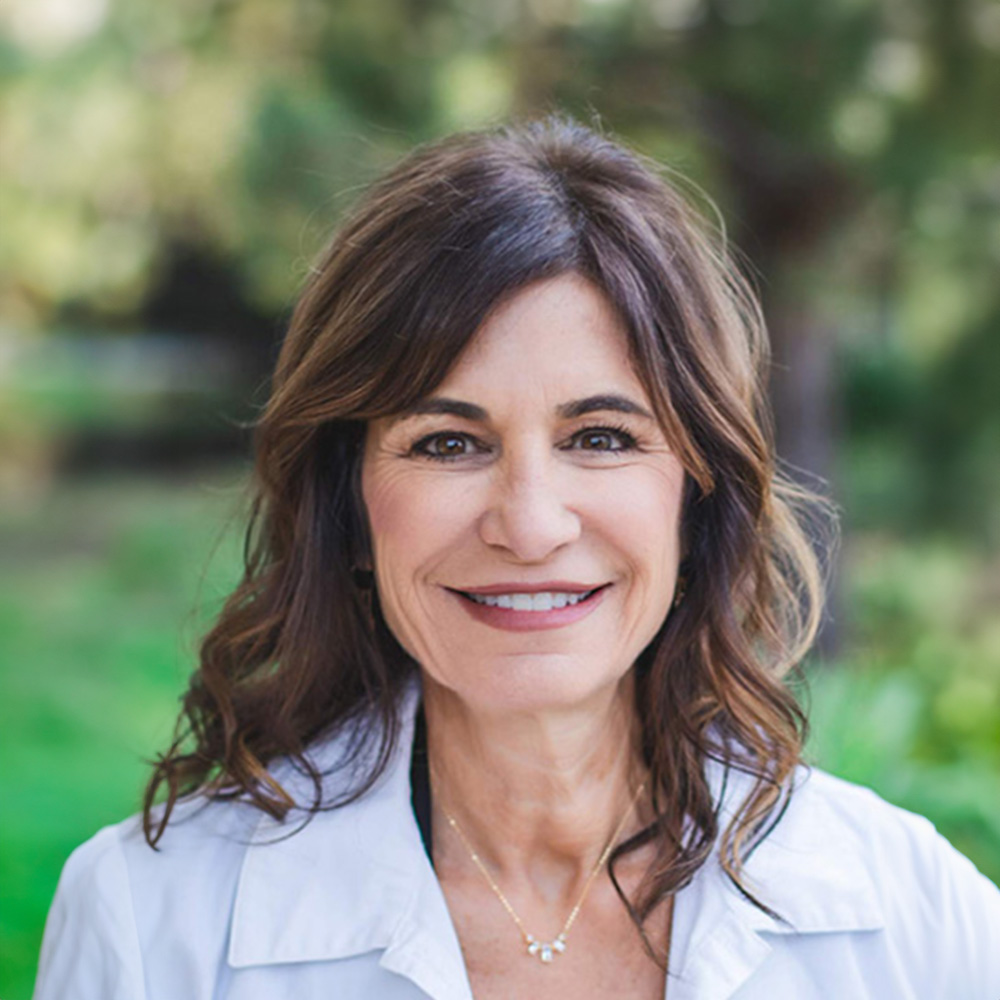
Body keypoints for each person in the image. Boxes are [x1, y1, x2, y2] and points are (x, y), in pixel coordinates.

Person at [33, 116, 1000, 1000]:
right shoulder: (152, 924)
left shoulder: (915, 919)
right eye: (449, 443)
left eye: (603, 437)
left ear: (694, 495)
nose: (530, 526)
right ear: (350, 503)